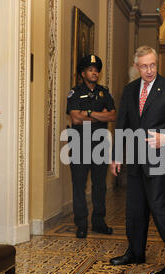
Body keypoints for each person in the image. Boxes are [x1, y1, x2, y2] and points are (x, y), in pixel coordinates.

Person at [109, 46, 165, 274]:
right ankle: (135, 252)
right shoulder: (130, 90)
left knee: (161, 209)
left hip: (159, 159)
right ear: (137, 67)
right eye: (144, 66)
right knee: (135, 209)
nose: (150, 70)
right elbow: (121, 125)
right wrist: (116, 155)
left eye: (153, 65)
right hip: (134, 159)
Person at [66, 54, 116, 238]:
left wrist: (87, 112)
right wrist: (97, 113)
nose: (94, 72)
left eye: (96, 70)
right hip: (79, 144)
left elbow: (112, 116)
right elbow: (75, 118)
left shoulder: (104, 92)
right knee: (79, 185)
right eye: (90, 69)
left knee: (100, 185)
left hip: (100, 145)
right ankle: (81, 224)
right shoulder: (75, 92)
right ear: (83, 73)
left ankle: (99, 222)